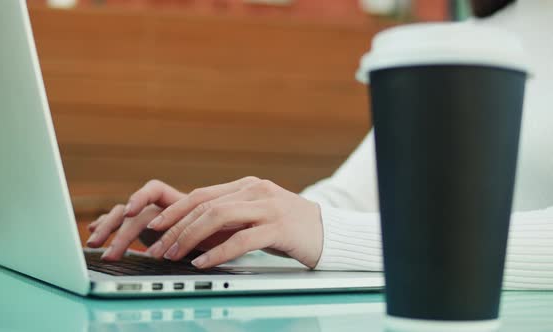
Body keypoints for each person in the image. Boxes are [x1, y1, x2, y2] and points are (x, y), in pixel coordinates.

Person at [87, 0, 553, 289]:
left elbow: (330, 228)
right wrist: (244, 233)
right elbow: (350, 200)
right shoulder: (475, 37)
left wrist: (328, 234)